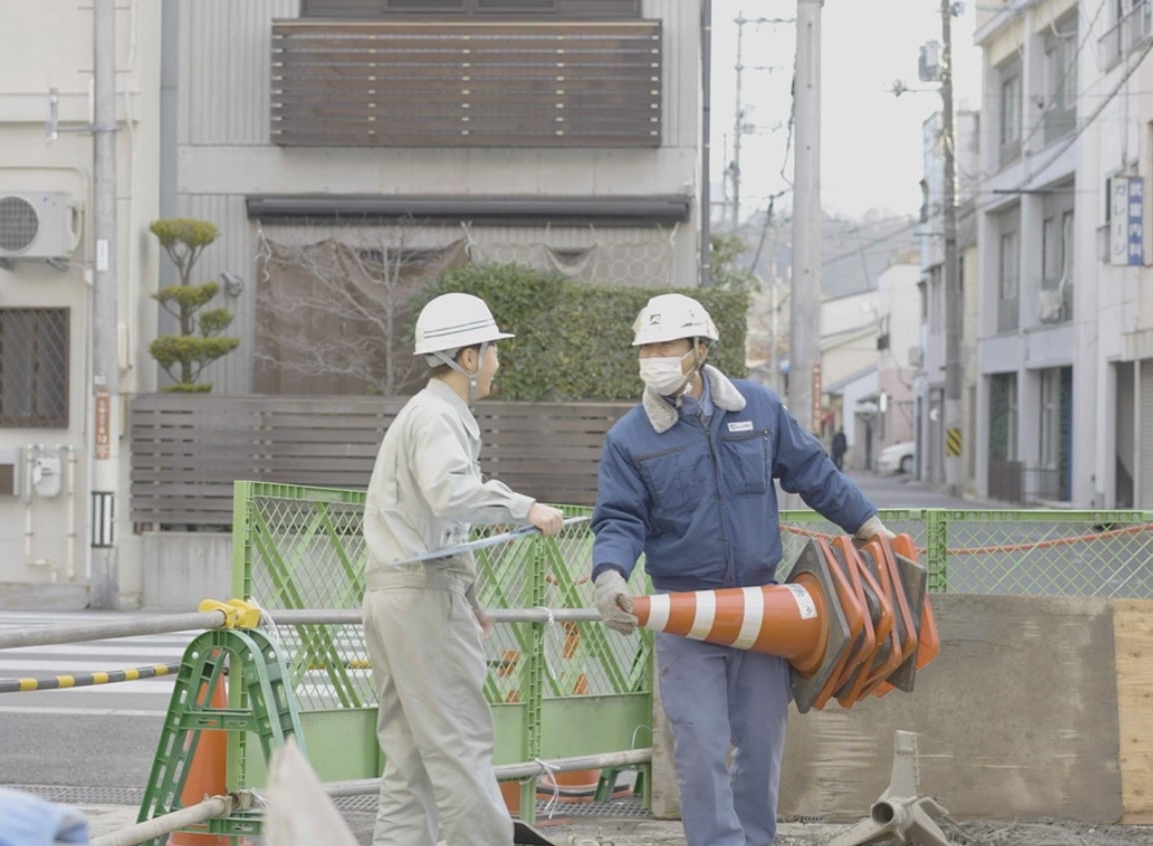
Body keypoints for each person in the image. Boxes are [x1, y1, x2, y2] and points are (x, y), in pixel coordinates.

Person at [589, 293, 891, 846]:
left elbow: (812, 472)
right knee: (701, 746)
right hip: (687, 615)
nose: (652, 356)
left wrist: (868, 525)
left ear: (699, 349)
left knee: (761, 742)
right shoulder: (628, 439)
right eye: (645, 347)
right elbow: (619, 519)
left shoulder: (758, 408)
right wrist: (609, 575)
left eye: (665, 345)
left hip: (763, 609)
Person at [362, 291, 565, 846]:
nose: (498, 362)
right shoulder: (436, 417)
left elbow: (431, 524)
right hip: (423, 601)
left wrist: (468, 600)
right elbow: (452, 495)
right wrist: (526, 507)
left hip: (397, 596)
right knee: (459, 747)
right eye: (493, 351)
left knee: (410, 762)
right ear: (468, 359)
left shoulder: (424, 414)